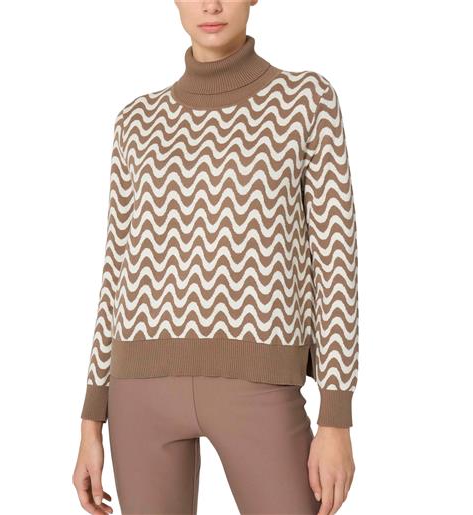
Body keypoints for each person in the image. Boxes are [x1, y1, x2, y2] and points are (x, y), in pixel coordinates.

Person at [72, 1, 359, 514]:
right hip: (139, 390)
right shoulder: (136, 121)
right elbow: (117, 269)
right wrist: (91, 419)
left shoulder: (305, 100)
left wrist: (336, 417)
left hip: (260, 385)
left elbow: (335, 261)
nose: (211, 4)